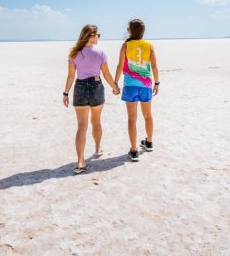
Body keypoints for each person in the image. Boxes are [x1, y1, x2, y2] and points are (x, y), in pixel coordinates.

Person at [63, 24, 120, 174]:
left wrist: (65, 93)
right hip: (96, 86)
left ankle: (80, 161)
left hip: (80, 87)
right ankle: (98, 147)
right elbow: (106, 74)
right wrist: (114, 87)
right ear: (91, 36)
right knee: (96, 122)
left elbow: (70, 76)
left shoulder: (74, 53)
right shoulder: (101, 53)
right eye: (97, 35)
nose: (98, 38)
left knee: (81, 126)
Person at [114, 19, 159, 161]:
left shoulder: (126, 45)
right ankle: (149, 142)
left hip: (130, 85)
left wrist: (115, 82)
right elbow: (154, 66)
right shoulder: (149, 45)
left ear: (130, 31)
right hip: (146, 85)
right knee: (148, 115)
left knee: (132, 118)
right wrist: (157, 83)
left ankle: (134, 151)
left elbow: (120, 65)